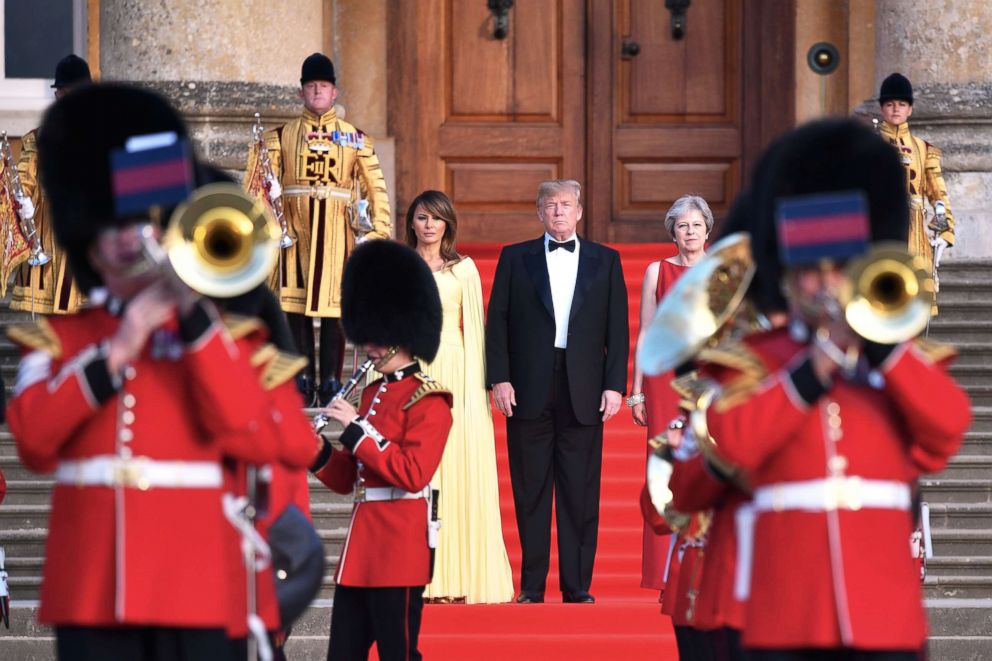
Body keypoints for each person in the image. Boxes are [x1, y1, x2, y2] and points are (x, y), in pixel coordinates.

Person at [6, 84, 289, 660]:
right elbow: (34, 442)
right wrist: (117, 349)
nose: (128, 235)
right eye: (112, 223)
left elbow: (251, 431)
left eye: (139, 220)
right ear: (88, 239)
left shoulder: (220, 337)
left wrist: (192, 318)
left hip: (197, 583)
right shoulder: (61, 338)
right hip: (91, 588)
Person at [694, 118, 971, 659]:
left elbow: (947, 429)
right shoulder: (753, 363)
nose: (827, 284)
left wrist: (884, 350)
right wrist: (812, 368)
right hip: (786, 614)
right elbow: (732, 444)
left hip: (885, 615)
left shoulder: (900, 364)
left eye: (842, 269)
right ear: (788, 280)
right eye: (811, 272)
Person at [486, 179, 629, 604]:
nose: (559, 213)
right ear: (539, 212)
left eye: (566, 205)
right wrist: (500, 377)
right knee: (530, 489)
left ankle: (576, 585)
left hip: (584, 386)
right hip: (528, 383)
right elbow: (498, 322)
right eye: (551, 206)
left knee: (580, 489)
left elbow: (617, 330)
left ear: (580, 211)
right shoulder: (515, 258)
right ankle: (531, 586)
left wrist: (614, 385)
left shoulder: (606, 261)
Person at [310, 239, 452, 661]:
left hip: (399, 549)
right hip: (362, 551)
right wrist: (315, 450)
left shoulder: (429, 401)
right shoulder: (371, 394)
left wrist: (355, 430)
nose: (368, 347)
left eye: (376, 337)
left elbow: (412, 474)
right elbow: (345, 480)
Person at [245, 52, 392, 407]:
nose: (316, 92)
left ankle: (329, 381)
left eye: (323, 87)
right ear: (301, 93)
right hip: (293, 232)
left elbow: (375, 187)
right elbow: (255, 188)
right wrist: (264, 223)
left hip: (338, 233)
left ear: (334, 92)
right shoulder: (278, 137)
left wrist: (378, 232)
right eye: (310, 87)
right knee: (293, 308)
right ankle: (301, 378)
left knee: (333, 309)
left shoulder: (356, 138)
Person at [403, 190, 513, 604]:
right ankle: (422, 578)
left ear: (448, 223)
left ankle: (458, 578)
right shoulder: (401, 265)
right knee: (421, 470)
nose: (429, 225)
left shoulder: (463, 269)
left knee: (457, 468)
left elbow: (477, 332)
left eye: (436, 218)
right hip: (414, 367)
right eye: (422, 217)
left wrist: (475, 393)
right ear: (411, 222)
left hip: (455, 368)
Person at [628, 194, 713, 596]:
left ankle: (708, 561)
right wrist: (636, 391)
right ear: (673, 233)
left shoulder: (720, 270)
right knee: (665, 467)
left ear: (707, 229)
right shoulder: (655, 271)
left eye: (696, 225)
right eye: (682, 226)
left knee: (710, 459)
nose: (690, 232)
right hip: (664, 380)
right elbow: (645, 332)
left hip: (709, 374)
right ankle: (664, 571)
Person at [8, 54, 91, 314]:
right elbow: (24, 177)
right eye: (62, 93)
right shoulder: (38, 138)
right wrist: (23, 200)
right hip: (49, 232)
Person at [877, 72, 955, 314]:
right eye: (890, 105)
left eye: (901, 104)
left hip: (917, 234)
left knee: (915, 304)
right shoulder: (869, 144)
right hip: (883, 229)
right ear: (882, 109)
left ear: (910, 109)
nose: (896, 110)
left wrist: (945, 231)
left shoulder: (924, 149)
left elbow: (937, 194)